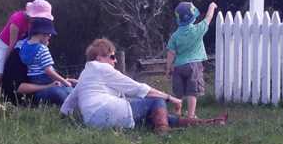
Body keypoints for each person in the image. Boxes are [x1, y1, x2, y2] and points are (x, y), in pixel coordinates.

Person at [61, 38, 226, 133]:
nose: (115, 60)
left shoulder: (85, 74)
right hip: (109, 112)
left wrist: (65, 118)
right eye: (112, 56)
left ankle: (208, 123)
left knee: (154, 116)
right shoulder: (103, 68)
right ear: (99, 57)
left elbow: (68, 104)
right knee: (156, 101)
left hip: (93, 122)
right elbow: (139, 89)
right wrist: (171, 98)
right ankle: (163, 132)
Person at [0, 0, 53, 96]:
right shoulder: (17, 20)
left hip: (21, 44)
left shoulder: (35, 24)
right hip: (5, 44)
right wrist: (7, 65)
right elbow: (12, 44)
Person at [165, 1, 217, 119]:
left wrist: (168, 68)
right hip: (194, 65)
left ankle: (177, 113)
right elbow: (208, 18)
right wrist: (211, 6)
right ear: (193, 17)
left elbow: (171, 53)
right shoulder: (197, 30)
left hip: (178, 66)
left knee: (178, 91)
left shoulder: (175, 36)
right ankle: (191, 115)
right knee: (192, 91)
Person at [15, 17, 75, 106]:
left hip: (33, 80)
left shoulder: (23, 46)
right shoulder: (42, 49)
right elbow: (49, 71)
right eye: (48, 34)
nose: (50, 36)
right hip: (45, 79)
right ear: (42, 34)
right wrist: (64, 81)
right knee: (69, 90)